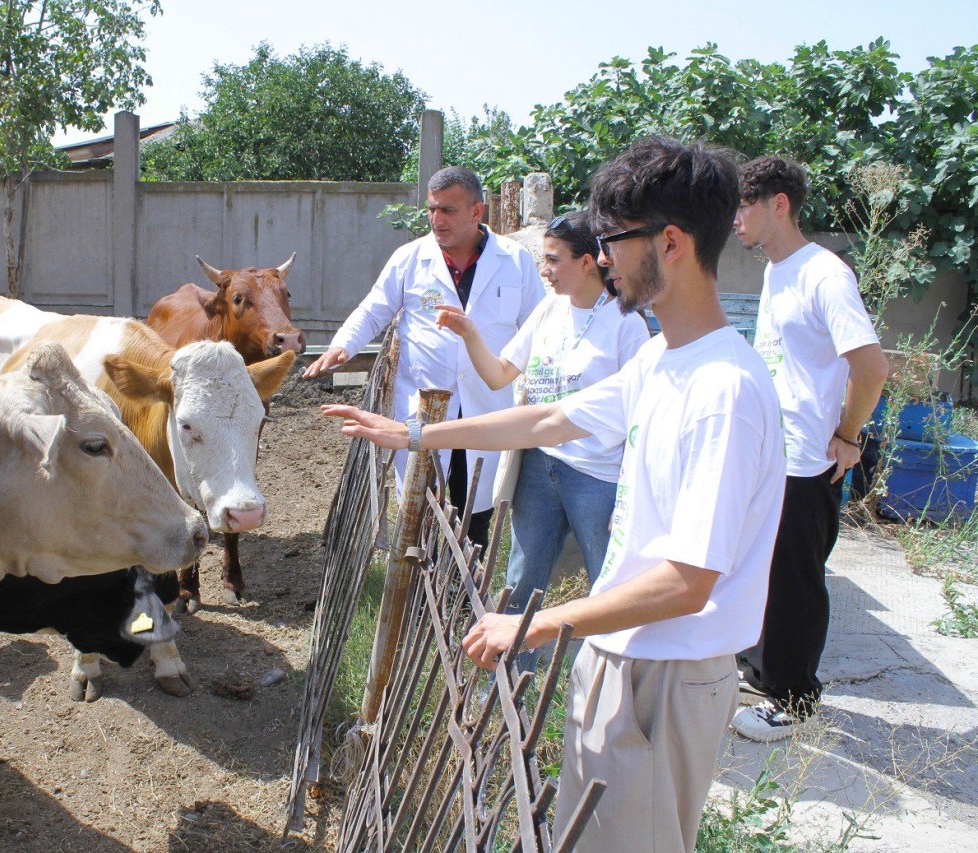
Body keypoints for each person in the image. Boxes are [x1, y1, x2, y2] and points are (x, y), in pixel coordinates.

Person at [321, 136, 786, 853]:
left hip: (666, 670)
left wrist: (535, 625)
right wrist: (416, 437)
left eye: (613, 241)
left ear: (669, 243)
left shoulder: (723, 390)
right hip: (623, 653)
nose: (603, 259)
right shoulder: (666, 358)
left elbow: (688, 581)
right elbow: (547, 416)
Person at [434, 211, 649, 657]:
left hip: (599, 475)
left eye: (553, 260)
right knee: (522, 579)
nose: (544, 271)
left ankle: (612, 679)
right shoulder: (548, 310)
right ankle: (511, 681)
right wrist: (470, 333)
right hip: (539, 465)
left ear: (589, 261)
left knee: (608, 582)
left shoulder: (627, 325)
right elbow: (498, 375)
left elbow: (639, 417)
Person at [301, 166, 545, 552]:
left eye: (447, 210)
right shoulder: (410, 258)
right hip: (426, 407)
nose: (436, 220)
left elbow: (539, 328)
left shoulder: (515, 262)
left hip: (486, 408)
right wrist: (342, 344)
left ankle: (463, 600)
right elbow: (373, 310)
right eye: (431, 210)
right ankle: (421, 592)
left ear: (477, 212)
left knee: (474, 513)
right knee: (422, 513)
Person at [731, 156, 889, 743]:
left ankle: (794, 701)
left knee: (796, 580)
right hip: (771, 451)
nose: (736, 219)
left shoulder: (825, 274)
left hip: (806, 460)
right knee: (763, 572)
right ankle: (764, 675)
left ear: (779, 204)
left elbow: (871, 367)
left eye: (744, 206)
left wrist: (847, 437)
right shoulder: (777, 271)